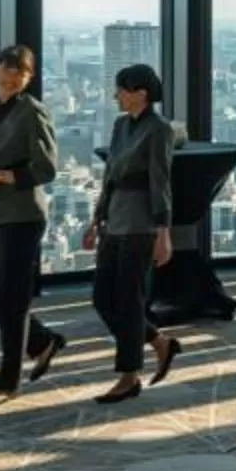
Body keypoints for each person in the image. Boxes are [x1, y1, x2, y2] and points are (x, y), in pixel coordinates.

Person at [0, 42, 63, 406]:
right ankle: (41, 340)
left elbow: (47, 168)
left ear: (28, 77)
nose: (11, 75)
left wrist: (4, 176)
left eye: (19, 70)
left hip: (23, 214)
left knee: (14, 295)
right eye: (6, 67)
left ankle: (8, 381)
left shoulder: (33, 113)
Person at [86, 63, 181, 405]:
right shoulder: (120, 126)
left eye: (121, 89)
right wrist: (97, 219)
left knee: (129, 299)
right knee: (102, 298)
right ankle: (157, 342)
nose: (116, 96)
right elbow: (110, 174)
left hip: (141, 223)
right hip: (115, 220)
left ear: (140, 92)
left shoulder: (160, 130)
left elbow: (161, 182)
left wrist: (163, 232)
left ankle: (129, 375)